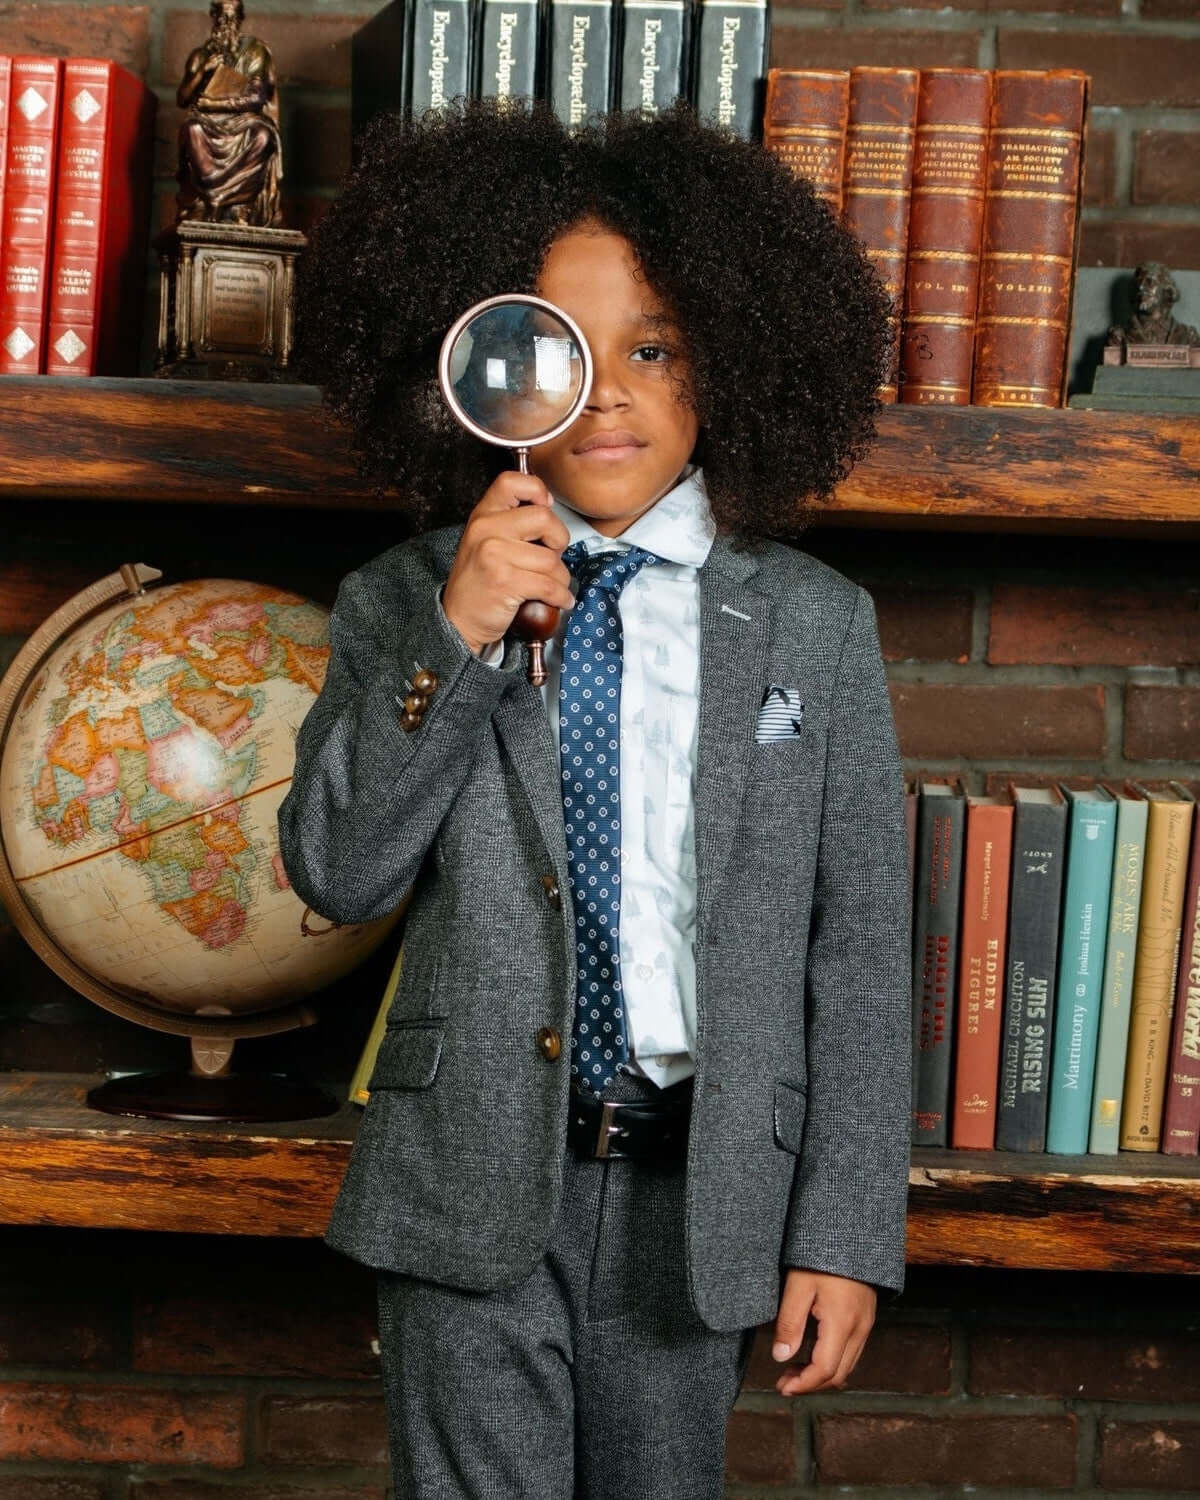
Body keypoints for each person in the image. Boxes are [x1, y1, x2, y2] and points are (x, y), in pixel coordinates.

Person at [277, 99, 911, 1499]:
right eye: (560, 353)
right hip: (467, 1191)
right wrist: (458, 642)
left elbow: (859, 948)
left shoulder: (813, 625)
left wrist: (847, 1228)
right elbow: (337, 869)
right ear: (484, 374)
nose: (611, 393)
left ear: (731, 364)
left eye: (656, 348)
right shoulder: (406, 601)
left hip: (704, 1205)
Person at [176, 0, 283, 226]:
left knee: (262, 136)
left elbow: (256, 97)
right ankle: (209, 199)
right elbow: (183, 98)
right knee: (191, 129)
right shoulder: (200, 55)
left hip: (244, 120)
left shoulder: (255, 51)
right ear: (213, 18)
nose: (227, 24)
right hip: (207, 122)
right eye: (222, 17)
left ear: (240, 19)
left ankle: (236, 205)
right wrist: (204, 71)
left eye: (232, 18)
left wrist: (211, 103)